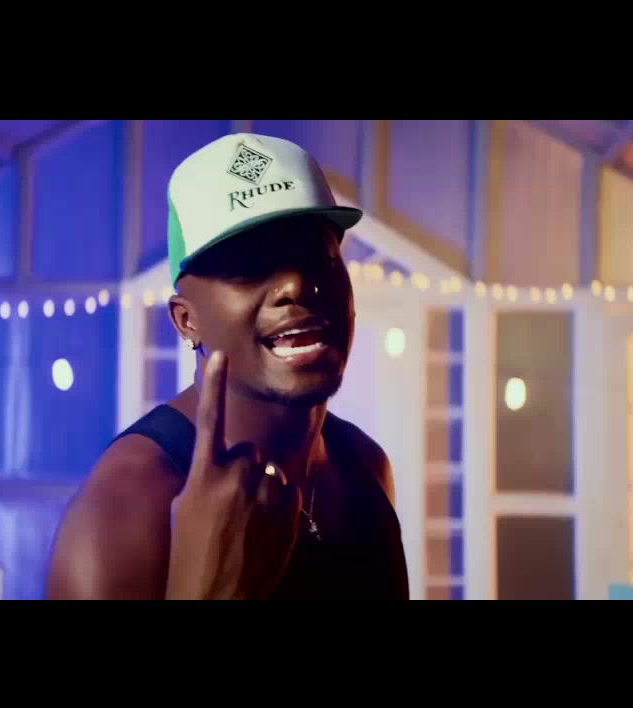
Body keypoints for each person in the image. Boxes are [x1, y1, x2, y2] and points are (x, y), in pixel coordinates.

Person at [45, 133, 409, 600]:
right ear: (186, 320)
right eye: (251, 266)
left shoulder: (364, 465)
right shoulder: (124, 509)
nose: (296, 285)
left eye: (318, 257)